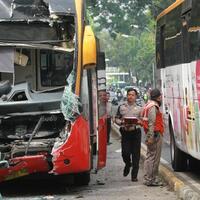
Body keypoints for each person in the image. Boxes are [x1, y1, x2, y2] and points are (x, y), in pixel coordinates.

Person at [115, 88, 142, 182]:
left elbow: (143, 120)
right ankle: (127, 164)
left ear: (136, 97)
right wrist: (121, 122)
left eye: (132, 95)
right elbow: (116, 119)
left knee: (136, 155)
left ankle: (134, 176)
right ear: (127, 95)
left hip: (136, 133)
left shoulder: (139, 108)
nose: (130, 96)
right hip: (125, 132)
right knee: (125, 153)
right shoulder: (121, 107)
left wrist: (139, 122)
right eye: (129, 94)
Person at [142, 88, 164, 186]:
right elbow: (152, 123)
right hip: (154, 135)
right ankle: (151, 179)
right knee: (154, 157)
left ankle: (148, 178)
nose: (161, 98)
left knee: (150, 156)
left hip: (151, 134)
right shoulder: (153, 107)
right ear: (158, 97)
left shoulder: (147, 105)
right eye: (160, 96)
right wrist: (151, 137)